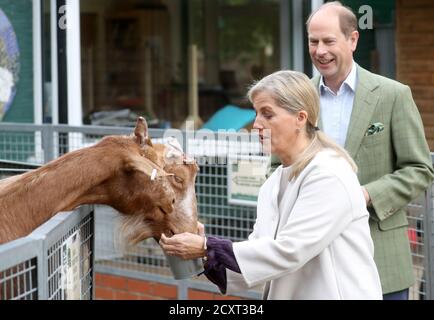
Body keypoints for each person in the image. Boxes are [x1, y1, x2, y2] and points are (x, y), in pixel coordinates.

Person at [160, 70, 382, 300]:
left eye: (267, 114)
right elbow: (257, 262)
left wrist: (207, 247)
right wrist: (202, 254)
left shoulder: (329, 173)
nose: (256, 124)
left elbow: (290, 251)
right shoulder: (274, 182)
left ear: (300, 118)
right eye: (256, 113)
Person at [306, 2, 434, 299]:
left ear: (353, 40)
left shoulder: (393, 95)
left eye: (329, 41)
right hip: (314, 260)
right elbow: (280, 167)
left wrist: (365, 195)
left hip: (381, 261)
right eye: (314, 41)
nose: (320, 51)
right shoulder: (299, 98)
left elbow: (419, 169)